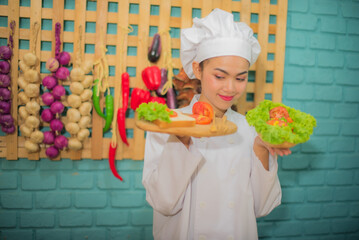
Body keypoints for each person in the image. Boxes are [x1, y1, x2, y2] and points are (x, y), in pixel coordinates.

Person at [142, 8, 291, 240]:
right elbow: (163, 204)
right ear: (198, 69)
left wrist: (261, 147)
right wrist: (181, 138)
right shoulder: (168, 125)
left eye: (240, 78)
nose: (231, 88)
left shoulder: (251, 130)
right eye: (220, 76)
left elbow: (262, 208)